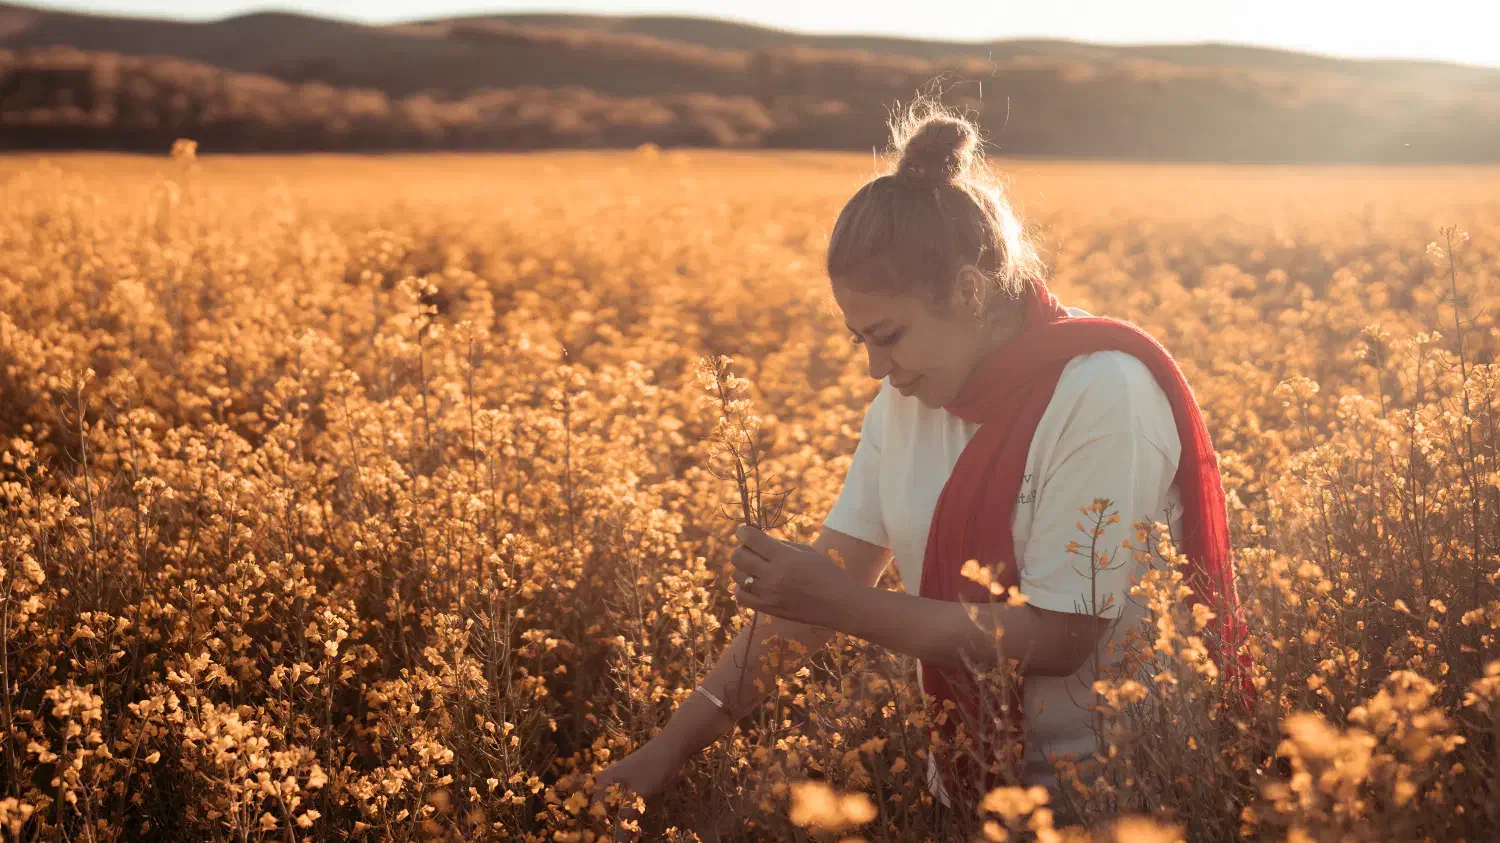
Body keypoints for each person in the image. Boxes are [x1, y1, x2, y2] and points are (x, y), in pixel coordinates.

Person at [591, 103, 1246, 829]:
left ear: (968, 291)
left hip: (1116, 800)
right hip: (967, 787)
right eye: (858, 340)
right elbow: (816, 597)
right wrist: (669, 747)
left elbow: (1063, 636)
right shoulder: (908, 402)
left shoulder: (1103, 392)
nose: (875, 366)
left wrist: (840, 605)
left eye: (889, 335)